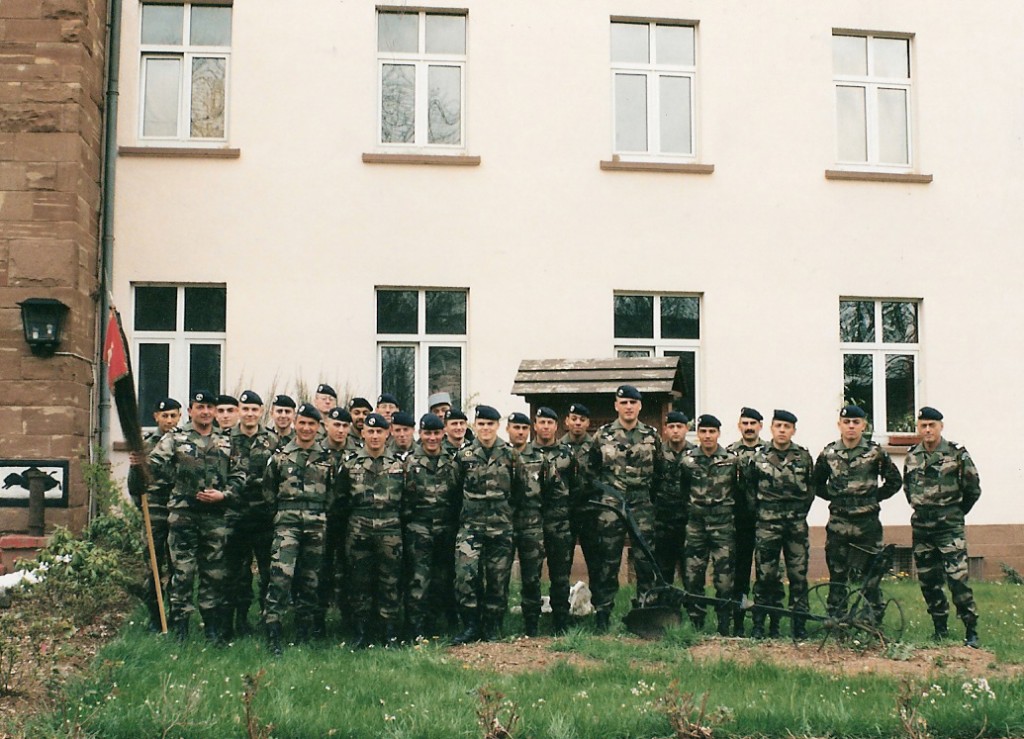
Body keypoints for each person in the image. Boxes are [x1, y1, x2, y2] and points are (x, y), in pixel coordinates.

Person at [147, 390, 245, 643]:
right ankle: (180, 625)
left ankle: (211, 625)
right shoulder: (175, 438)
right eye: (200, 407)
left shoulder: (227, 441)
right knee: (183, 572)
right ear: (190, 411)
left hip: (215, 518)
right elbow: (153, 465)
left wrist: (224, 495)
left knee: (214, 573)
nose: (205, 411)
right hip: (184, 515)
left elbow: (240, 475)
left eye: (210, 407)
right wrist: (145, 466)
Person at [812, 405, 902, 619]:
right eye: (846, 422)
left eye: (855, 422)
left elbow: (894, 481)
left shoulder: (875, 453)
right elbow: (816, 483)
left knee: (871, 574)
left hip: (867, 524)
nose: (851, 426)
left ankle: (871, 620)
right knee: (837, 574)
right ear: (839, 425)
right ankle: (837, 619)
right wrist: (835, 497)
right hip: (839, 523)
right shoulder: (829, 453)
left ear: (864, 425)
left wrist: (873, 498)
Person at [588, 385, 664, 632]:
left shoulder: (651, 436)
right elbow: (592, 469)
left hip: (641, 504)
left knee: (645, 560)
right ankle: (603, 614)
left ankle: (644, 612)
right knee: (607, 561)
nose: (628, 407)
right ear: (616, 405)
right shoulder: (603, 435)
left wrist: (646, 496)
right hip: (611, 505)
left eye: (633, 402)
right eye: (624, 402)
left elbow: (660, 472)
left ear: (640, 406)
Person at [903, 406, 981, 647]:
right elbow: (908, 489)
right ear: (918, 428)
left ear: (941, 427)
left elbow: (972, 489)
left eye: (932, 425)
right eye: (923, 425)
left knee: (957, 580)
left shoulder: (956, 454)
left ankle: (971, 630)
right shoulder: (912, 455)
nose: (928, 430)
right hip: (922, 529)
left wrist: (954, 514)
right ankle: (940, 628)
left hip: (949, 529)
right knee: (928, 581)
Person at [262, 404, 334, 655]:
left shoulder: (327, 458)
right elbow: (268, 492)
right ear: (295, 424)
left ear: (318, 426)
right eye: (302, 423)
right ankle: (273, 632)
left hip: (316, 525)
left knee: (310, 579)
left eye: (311, 424)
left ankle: (305, 631)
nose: (306, 428)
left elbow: (333, 494)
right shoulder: (280, 457)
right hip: (287, 525)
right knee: (280, 577)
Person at [451, 405, 527, 643]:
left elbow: (520, 490)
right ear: (475, 426)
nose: (485, 428)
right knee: (465, 577)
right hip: (470, 529)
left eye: (490, 424)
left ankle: (492, 627)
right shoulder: (464, 455)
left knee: (498, 581)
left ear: (497, 426)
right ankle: (470, 626)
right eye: (481, 424)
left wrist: (505, 515)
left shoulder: (510, 455)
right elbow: (454, 490)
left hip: (500, 529)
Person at [337, 413, 405, 648]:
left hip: (390, 529)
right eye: (371, 431)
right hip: (359, 527)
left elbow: (408, 500)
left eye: (379, 431)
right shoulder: (350, 463)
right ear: (363, 433)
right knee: (359, 581)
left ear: (388, 433)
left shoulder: (400, 464)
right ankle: (361, 632)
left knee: (390, 582)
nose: (375, 436)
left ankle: (389, 633)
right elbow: (340, 499)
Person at [746, 409, 814, 639]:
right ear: (771, 428)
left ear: (793, 430)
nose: (782, 430)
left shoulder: (803, 457)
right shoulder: (759, 457)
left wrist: (799, 512)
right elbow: (749, 489)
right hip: (767, 526)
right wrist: (762, 514)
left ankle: (799, 626)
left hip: (795, 526)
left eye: (787, 427)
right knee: (765, 576)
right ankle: (760, 624)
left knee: (798, 577)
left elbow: (811, 489)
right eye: (778, 426)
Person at [223, 390, 280, 639]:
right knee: (238, 573)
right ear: (239, 411)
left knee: (268, 573)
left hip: (264, 517)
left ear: (261, 412)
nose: (249, 414)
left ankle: (267, 619)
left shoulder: (272, 440)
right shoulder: (226, 440)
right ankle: (239, 619)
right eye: (245, 409)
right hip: (235, 516)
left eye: (254, 409)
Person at [507, 411, 568, 636]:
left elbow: (556, 492)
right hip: (503, 524)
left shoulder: (540, 459)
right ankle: (496, 623)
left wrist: (543, 515)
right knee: (499, 576)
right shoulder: (500, 456)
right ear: (508, 429)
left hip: (532, 525)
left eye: (523, 428)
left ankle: (533, 624)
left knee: (532, 576)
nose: (520, 432)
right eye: (516, 427)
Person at [679, 414, 741, 635]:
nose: (707, 436)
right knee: (693, 577)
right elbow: (683, 491)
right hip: (696, 527)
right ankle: (696, 623)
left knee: (724, 580)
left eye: (712, 431)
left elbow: (739, 491)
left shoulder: (731, 461)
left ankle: (724, 624)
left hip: (723, 527)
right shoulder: (688, 461)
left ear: (718, 433)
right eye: (703, 431)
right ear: (698, 433)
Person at [402, 413, 460, 638]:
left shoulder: (452, 462)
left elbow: (457, 496)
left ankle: (435, 625)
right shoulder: (410, 463)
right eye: (428, 433)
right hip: (419, 528)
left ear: (443, 433)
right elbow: (403, 499)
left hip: (446, 529)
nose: (432, 438)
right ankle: (415, 628)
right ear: (420, 434)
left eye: (436, 433)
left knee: (442, 579)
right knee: (419, 579)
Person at [127, 396, 181, 632]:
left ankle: (177, 615)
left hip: (178, 508)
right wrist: (135, 467)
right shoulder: (146, 445)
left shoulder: (183, 442)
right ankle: (156, 617)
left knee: (178, 566)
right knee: (154, 565)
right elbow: (134, 484)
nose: (169, 420)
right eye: (164, 416)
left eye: (173, 415)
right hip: (155, 510)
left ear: (180, 416)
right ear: (156, 417)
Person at [532, 406, 576, 634]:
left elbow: (577, 486)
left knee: (560, 575)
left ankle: (561, 621)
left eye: (550, 423)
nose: (546, 427)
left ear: (556, 426)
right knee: (532, 574)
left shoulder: (567, 455)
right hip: (533, 523)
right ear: (535, 425)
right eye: (542, 422)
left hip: (559, 523)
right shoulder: (524, 453)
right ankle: (531, 622)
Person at [726, 407, 765, 635]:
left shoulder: (770, 452)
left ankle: (761, 623)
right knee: (739, 574)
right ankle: (738, 623)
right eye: (745, 423)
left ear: (760, 426)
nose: (749, 427)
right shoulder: (729, 453)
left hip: (765, 522)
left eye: (753, 423)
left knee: (765, 574)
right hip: (739, 524)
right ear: (739, 426)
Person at [317, 406, 354, 636]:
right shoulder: (316, 452)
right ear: (326, 425)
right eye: (336, 425)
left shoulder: (356, 453)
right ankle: (318, 620)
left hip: (349, 522)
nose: (340, 430)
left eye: (344, 426)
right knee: (321, 571)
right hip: (321, 522)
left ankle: (349, 620)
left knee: (349, 571)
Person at [560, 402, 598, 596]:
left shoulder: (596, 447)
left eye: (582, 420)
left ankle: (598, 605)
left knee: (595, 561)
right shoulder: (559, 447)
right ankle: (562, 603)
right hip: (565, 512)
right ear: (567, 421)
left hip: (590, 512)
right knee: (562, 561)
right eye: (574, 419)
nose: (577, 423)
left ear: (588, 423)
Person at [655, 410, 693, 586]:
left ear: (687, 429)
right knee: (663, 572)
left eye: (679, 426)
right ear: (665, 430)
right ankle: (666, 603)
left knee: (690, 572)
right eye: (671, 427)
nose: (675, 430)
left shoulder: (695, 454)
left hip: (689, 522)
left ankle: (691, 603)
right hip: (663, 522)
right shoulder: (657, 453)